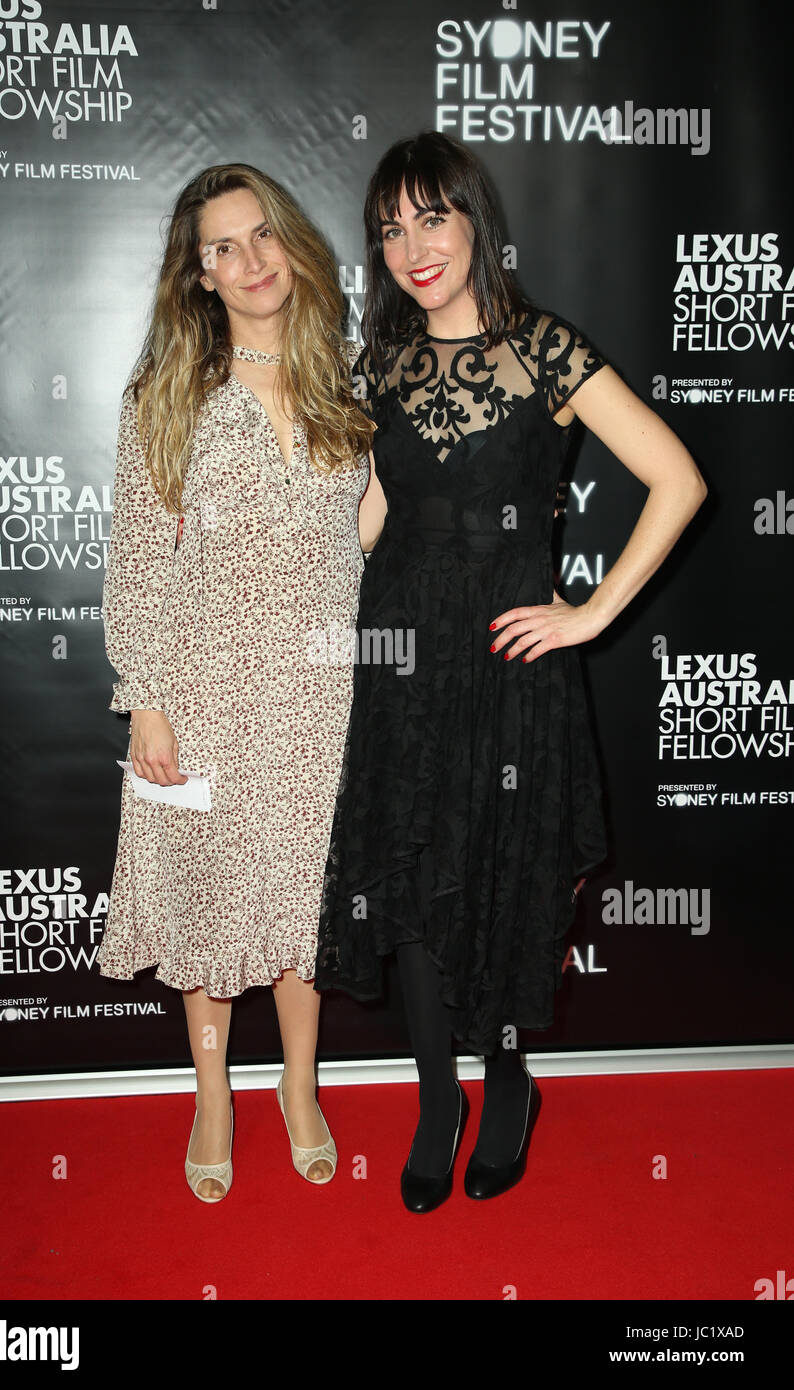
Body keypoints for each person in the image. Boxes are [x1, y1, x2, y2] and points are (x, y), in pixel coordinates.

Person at [315, 131, 707, 1213]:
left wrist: (588, 615)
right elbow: (378, 519)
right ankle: (436, 1100)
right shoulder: (380, 363)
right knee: (417, 884)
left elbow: (676, 479)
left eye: (429, 217)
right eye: (389, 228)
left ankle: (505, 1086)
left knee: (496, 880)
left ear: (474, 219)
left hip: (506, 664)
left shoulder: (546, 353)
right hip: (402, 660)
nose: (410, 246)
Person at [96, 163, 373, 1202]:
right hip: (202, 693)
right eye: (223, 247)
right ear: (198, 273)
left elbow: (363, 529)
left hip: (323, 690)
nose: (251, 261)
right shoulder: (164, 392)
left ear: (291, 243)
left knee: (304, 907)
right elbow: (134, 559)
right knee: (209, 910)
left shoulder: (344, 373)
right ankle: (212, 1092)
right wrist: (148, 701)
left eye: (263, 235)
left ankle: (300, 1086)